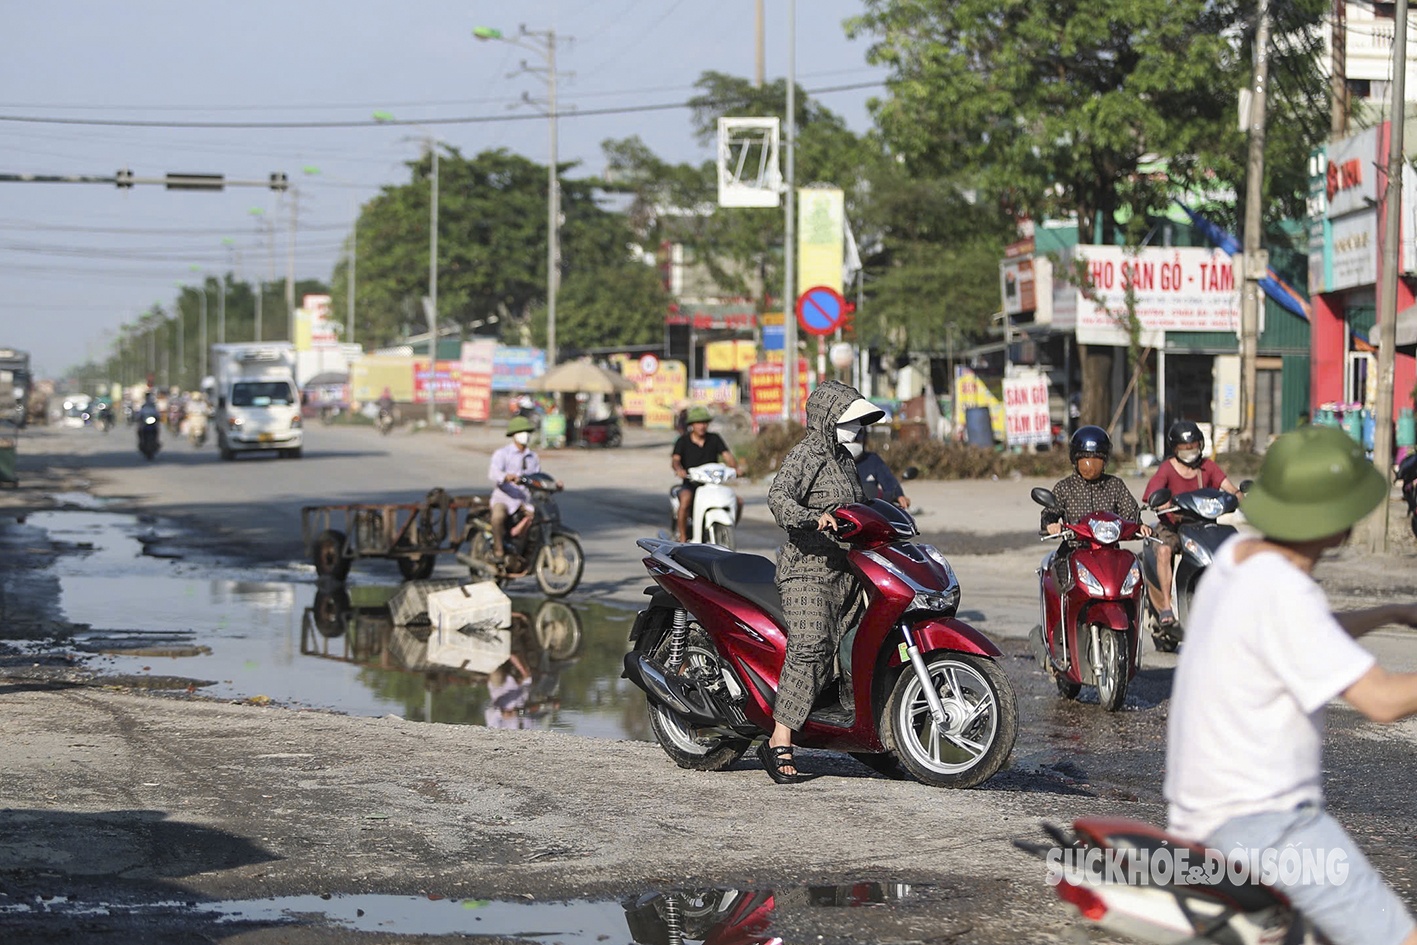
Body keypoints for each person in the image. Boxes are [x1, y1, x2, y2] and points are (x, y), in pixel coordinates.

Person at [1165, 425, 1417, 945]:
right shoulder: (1286, 592)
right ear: (1340, 525)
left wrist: (1392, 612)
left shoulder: (1237, 561)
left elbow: (1307, 635)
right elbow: (1383, 700)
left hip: (1199, 819)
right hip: (1266, 827)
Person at [763, 381, 884, 783]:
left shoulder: (846, 461)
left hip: (848, 571)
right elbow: (779, 497)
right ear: (828, 420)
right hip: (808, 570)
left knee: (866, 645)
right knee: (812, 645)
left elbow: (859, 510)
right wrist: (809, 517)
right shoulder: (808, 452)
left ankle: (862, 733)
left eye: (860, 421)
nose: (857, 429)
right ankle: (779, 739)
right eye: (850, 420)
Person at [1142, 421, 1241, 627]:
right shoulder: (1167, 468)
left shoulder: (1207, 467)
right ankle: (1167, 607)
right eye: (1184, 448)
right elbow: (1153, 492)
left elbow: (1229, 488)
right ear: (1175, 449)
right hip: (1174, 527)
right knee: (1163, 551)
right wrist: (1163, 504)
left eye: (1193, 446)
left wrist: (1241, 496)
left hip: (1204, 527)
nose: (1190, 452)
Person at [1040, 425, 1150, 590]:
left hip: (1110, 554)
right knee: (1062, 583)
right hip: (1073, 552)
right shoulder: (1065, 488)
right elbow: (1050, 513)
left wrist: (1140, 527)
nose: (1091, 465)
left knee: (1135, 581)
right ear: (1075, 459)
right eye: (1085, 459)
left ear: (1105, 460)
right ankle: (1064, 614)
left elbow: (1131, 515)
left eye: (1097, 459)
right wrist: (1051, 525)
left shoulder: (1114, 485)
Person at [487, 416, 560, 562]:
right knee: (498, 517)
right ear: (514, 434)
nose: (525, 435)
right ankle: (499, 550)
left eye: (527, 431)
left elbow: (538, 478)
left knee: (542, 519)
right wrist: (507, 476)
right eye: (521, 431)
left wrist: (554, 484)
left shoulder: (533, 456)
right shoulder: (502, 454)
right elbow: (493, 472)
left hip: (526, 500)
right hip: (505, 499)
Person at [671, 405, 741, 542]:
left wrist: (736, 469)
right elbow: (675, 460)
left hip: (713, 484)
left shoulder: (714, 438)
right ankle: (683, 537)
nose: (702, 426)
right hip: (691, 484)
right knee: (685, 499)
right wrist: (679, 470)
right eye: (698, 423)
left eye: (704, 422)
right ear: (692, 425)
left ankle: (727, 531)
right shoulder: (682, 441)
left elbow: (728, 456)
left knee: (738, 501)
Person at [853, 430, 910, 509]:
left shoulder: (872, 460)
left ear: (864, 440)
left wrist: (898, 495)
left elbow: (888, 480)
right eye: (849, 442)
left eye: (856, 440)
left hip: (868, 512)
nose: (852, 444)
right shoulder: (835, 462)